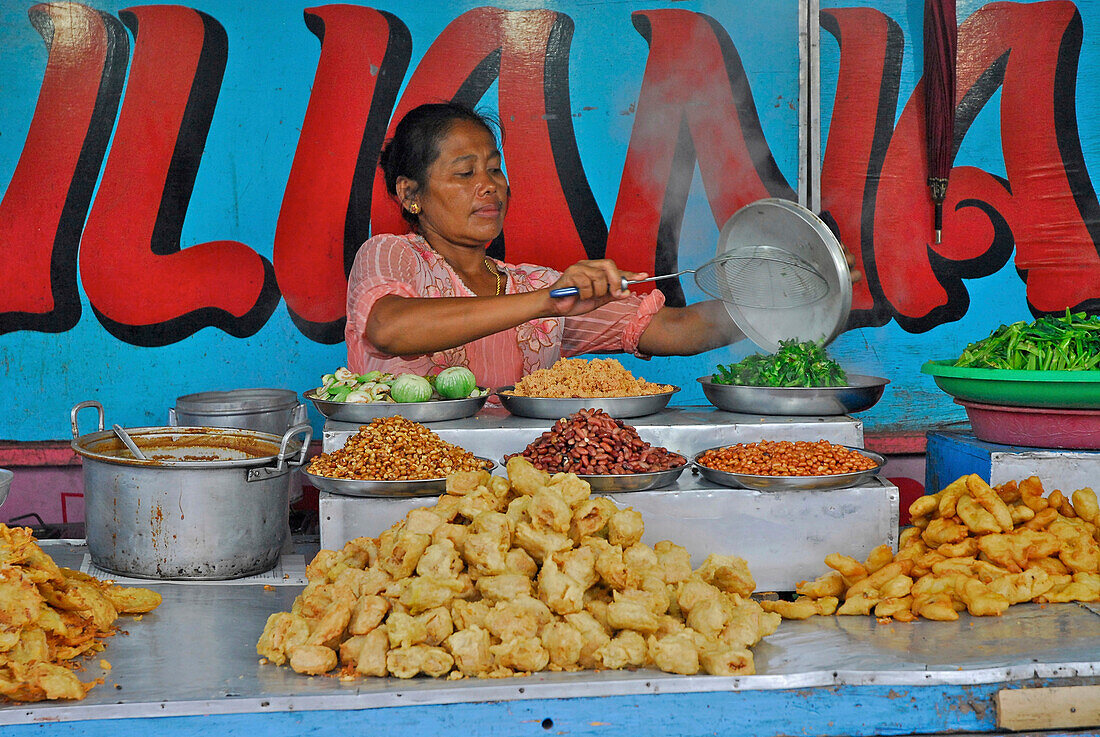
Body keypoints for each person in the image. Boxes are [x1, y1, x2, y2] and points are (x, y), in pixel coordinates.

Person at [345, 102, 745, 388]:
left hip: (519, 491)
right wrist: (546, 302)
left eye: (495, 169)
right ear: (410, 192)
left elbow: (678, 329)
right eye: (465, 172)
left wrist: (783, 306)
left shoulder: (533, 283)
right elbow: (389, 328)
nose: (490, 185)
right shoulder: (390, 255)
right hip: (409, 483)